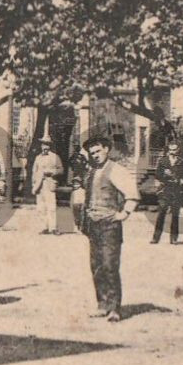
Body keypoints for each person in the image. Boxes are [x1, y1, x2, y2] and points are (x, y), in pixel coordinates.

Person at [78, 137, 139, 322]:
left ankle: (114, 308)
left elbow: (132, 195)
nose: (95, 155)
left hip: (109, 226)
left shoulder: (117, 170)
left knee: (110, 265)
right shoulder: (91, 171)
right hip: (93, 225)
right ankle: (102, 304)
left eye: (98, 151)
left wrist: (124, 213)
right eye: (92, 153)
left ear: (106, 149)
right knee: (96, 266)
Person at [150, 140, 183, 245]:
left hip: (177, 190)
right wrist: (165, 175)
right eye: (170, 149)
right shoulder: (163, 161)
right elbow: (157, 175)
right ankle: (156, 238)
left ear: (178, 150)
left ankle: (174, 238)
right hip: (165, 189)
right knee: (161, 212)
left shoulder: (182, 162)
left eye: (174, 149)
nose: (172, 152)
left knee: (175, 214)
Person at [30, 140, 64, 235]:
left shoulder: (55, 157)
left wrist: (52, 172)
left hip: (50, 183)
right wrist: (34, 183)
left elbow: (61, 169)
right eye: (44, 145)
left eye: (48, 145)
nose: (45, 147)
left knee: (51, 207)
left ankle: (53, 228)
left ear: (50, 146)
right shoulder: (38, 158)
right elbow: (34, 171)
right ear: (41, 146)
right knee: (41, 207)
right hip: (39, 185)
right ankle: (44, 227)